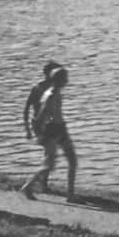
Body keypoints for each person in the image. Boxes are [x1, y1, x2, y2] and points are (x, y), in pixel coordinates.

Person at [23, 65, 76, 201]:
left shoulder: (57, 93)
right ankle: (28, 186)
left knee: (72, 160)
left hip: (60, 128)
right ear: (59, 80)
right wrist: (39, 133)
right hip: (52, 130)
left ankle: (70, 195)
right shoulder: (50, 96)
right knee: (49, 165)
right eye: (65, 78)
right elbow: (41, 115)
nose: (67, 81)